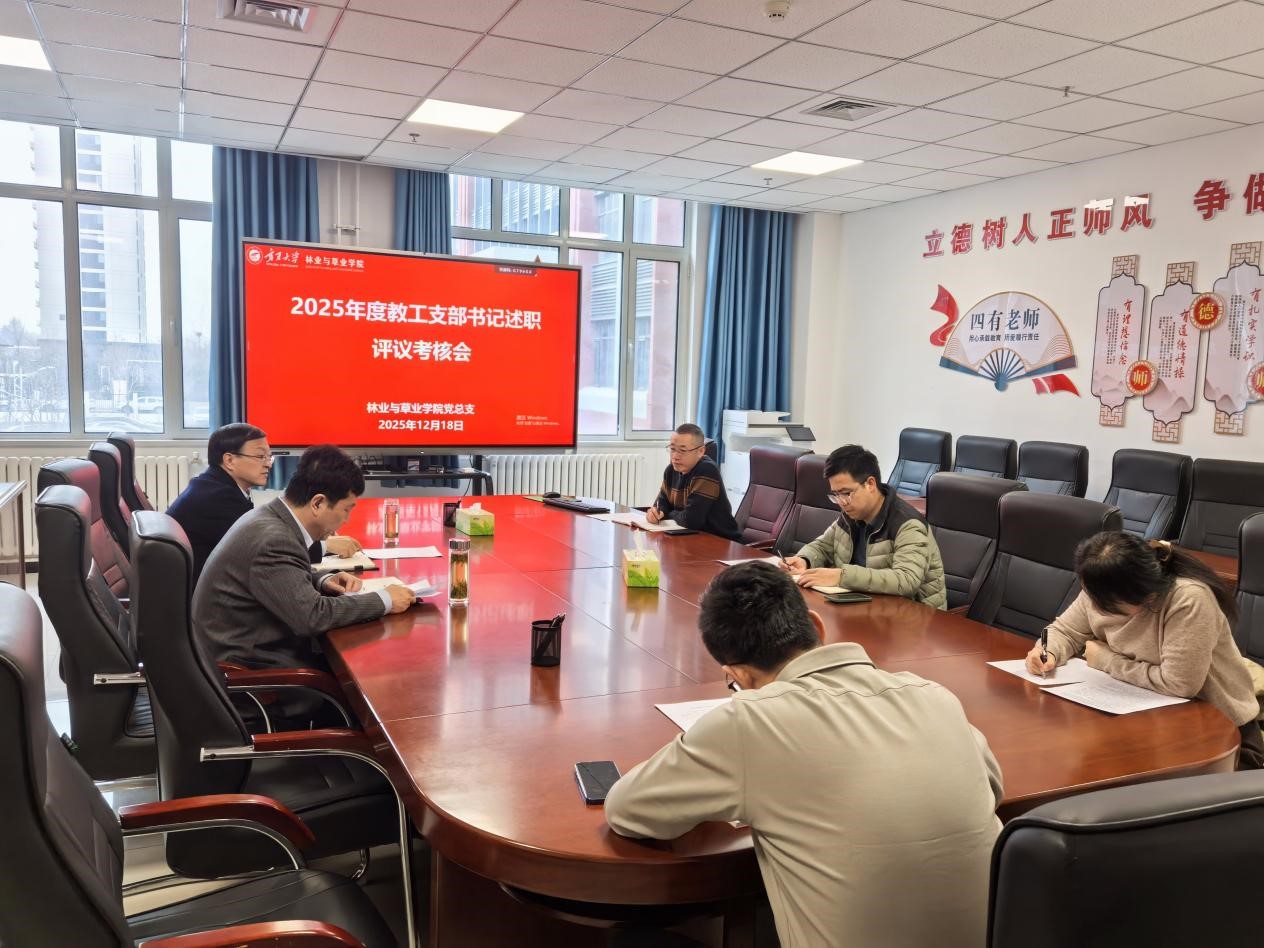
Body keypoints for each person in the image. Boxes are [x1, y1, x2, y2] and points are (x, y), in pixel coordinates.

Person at [605, 561, 1002, 948]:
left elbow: (627, 810)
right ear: (816, 625)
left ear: (737, 675)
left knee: (630, 939)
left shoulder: (749, 722)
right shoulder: (934, 696)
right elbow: (991, 786)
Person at [1026, 532, 1264, 770]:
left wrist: (1106, 660)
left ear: (1143, 595)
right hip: (1144, 718)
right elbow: (1064, 630)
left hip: (1220, 737)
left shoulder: (1188, 599)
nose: (1093, 606)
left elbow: (1179, 684)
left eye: (1103, 603)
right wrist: (1046, 650)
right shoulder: (1100, 588)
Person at [194, 444, 414, 670]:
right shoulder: (274, 539)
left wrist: (322, 580)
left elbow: (278, 575)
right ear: (318, 503)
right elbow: (312, 617)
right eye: (346, 509)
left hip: (246, 649)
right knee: (374, 666)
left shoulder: (270, 517)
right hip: (251, 669)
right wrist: (384, 599)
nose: (346, 520)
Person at [168, 423, 362, 582]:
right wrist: (326, 546)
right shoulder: (216, 499)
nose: (268, 463)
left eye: (269, 456)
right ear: (229, 460)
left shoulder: (216, 486)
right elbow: (270, 552)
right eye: (260, 456)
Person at [782, 444, 946, 608]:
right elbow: (823, 546)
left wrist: (841, 576)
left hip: (915, 614)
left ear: (870, 484)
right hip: (867, 606)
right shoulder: (851, 515)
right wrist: (804, 560)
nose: (841, 502)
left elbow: (907, 579)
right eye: (836, 495)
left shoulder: (907, 524)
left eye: (846, 493)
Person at [646, 423, 739, 540]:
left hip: (721, 541)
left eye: (682, 450)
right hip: (690, 538)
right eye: (672, 449)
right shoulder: (671, 470)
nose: (675, 456)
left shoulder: (707, 470)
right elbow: (661, 505)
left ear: (700, 451)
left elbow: (691, 521)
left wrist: (669, 513)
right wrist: (655, 514)